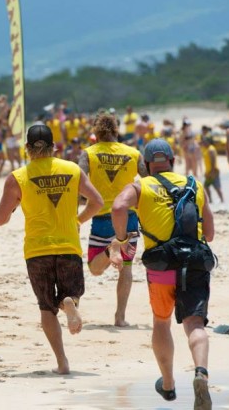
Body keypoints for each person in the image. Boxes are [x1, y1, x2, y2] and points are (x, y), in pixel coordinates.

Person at [111, 139, 214, 409]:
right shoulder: (194, 185)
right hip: (194, 264)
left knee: (161, 322)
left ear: (146, 165)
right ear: (172, 162)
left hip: (162, 268)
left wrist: (122, 238)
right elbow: (211, 234)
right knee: (195, 325)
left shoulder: (141, 185)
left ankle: (168, 385)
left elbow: (119, 207)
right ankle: (201, 372)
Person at [0, 124, 103, 374]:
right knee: (70, 294)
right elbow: (97, 201)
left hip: (37, 251)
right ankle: (70, 302)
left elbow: (0, 220)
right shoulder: (72, 169)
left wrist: (13, 207)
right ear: (55, 147)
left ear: (27, 149)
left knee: (46, 308)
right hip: (68, 245)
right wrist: (78, 220)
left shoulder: (18, 177)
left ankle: (62, 363)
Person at [78, 113, 147, 326]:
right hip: (128, 217)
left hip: (101, 218)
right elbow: (149, 180)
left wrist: (78, 209)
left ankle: (109, 250)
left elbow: (77, 181)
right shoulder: (134, 153)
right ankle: (120, 317)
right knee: (126, 268)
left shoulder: (88, 154)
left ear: (96, 134)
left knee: (94, 269)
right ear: (116, 131)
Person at [200, 138, 224, 204]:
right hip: (209, 172)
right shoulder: (206, 148)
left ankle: (222, 201)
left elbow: (213, 161)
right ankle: (211, 200)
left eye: (204, 142)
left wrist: (212, 172)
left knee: (216, 187)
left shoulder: (211, 149)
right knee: (206, 186)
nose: (203, 143)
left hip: (213, 172)